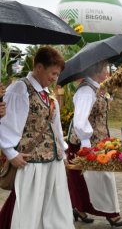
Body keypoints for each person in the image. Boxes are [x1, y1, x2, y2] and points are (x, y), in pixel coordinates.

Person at [0, 46, 74, 229]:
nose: (55, 78)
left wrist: (63, 152)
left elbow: (55, 126)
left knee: (54, 208)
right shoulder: (20, 89)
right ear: (39, 67)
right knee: (28, 209)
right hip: (31, 162)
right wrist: (10, 153)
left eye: (57, 75)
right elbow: (7, 124)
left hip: (52, 161)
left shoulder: (47, 93)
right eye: (53, 73)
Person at [67, 61, 122, 227]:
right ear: (96, 70)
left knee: (96, 178)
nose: (107, 72)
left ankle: (80, 209)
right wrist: (85, 142)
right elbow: (80, 121)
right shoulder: (86, 91)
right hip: (85, 143)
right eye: (105, 68)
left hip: (98, 142)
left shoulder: (96, 88)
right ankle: (110, 213)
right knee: (97, 178)